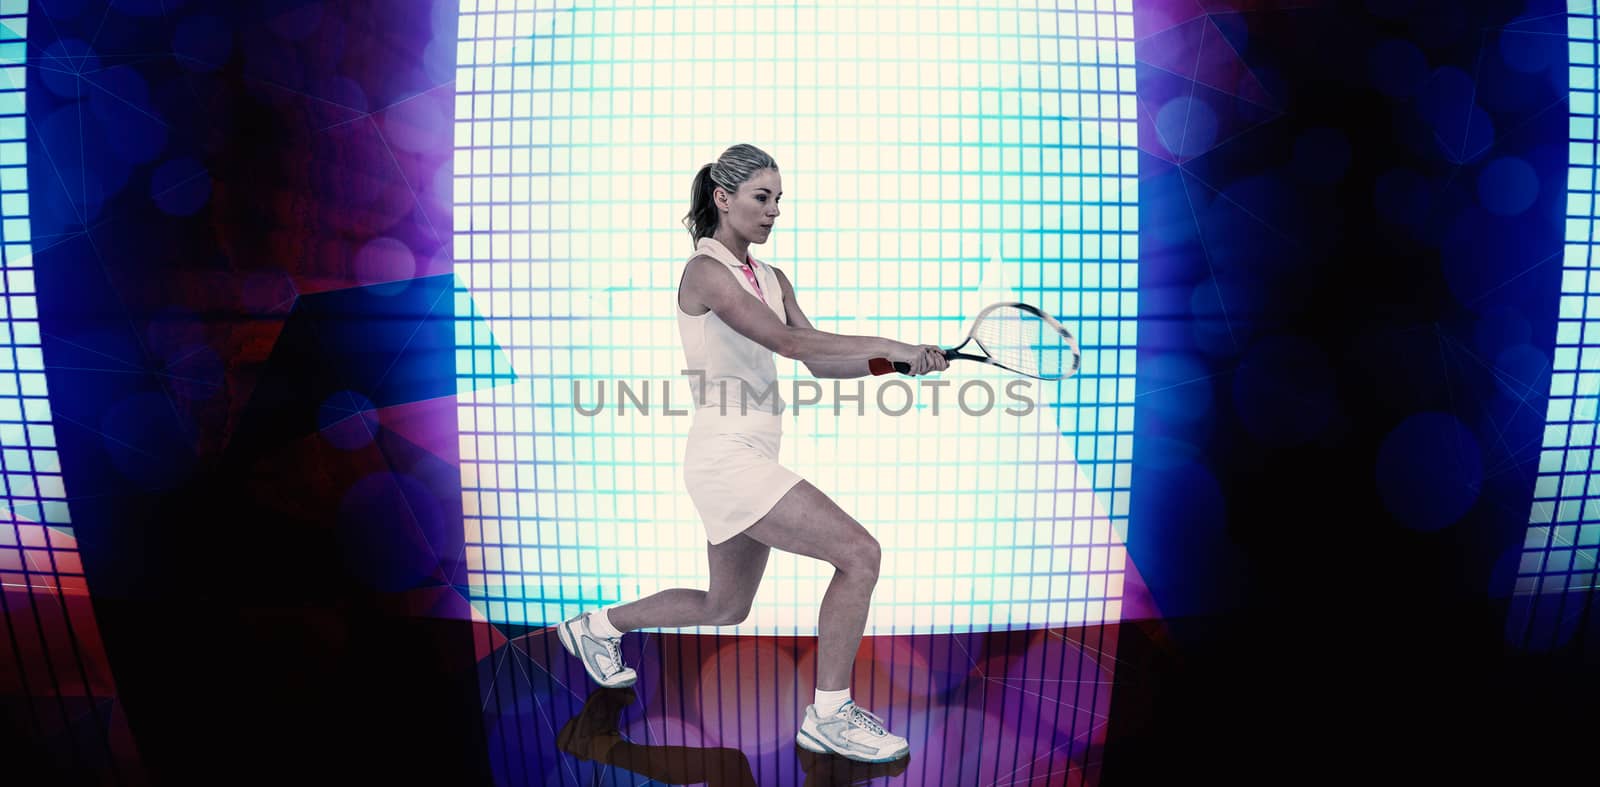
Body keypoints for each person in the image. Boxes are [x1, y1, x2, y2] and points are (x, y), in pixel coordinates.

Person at [557, 143, 946, 763]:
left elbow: (818, 362)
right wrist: (896, 342)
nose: (773, 212)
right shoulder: (705, 270)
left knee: (726, 606)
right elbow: (789, 342)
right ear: (723, 197)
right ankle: (828, 716)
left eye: (779, 201)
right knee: (859, 554)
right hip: (726, 457)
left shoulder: (772, 278)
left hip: (747, 456)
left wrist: (893, 366)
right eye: (762, 198)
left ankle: (596, 627)